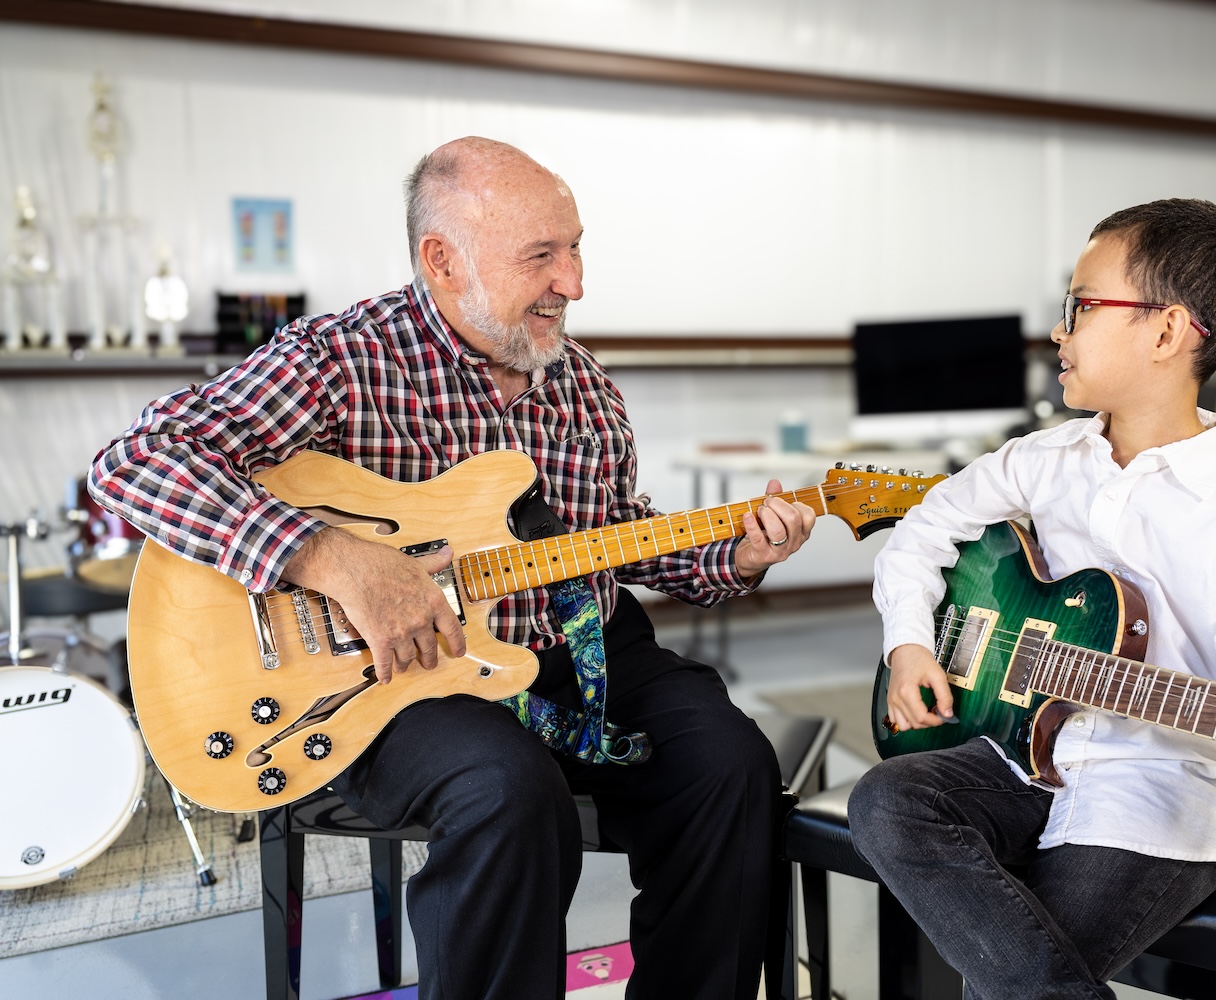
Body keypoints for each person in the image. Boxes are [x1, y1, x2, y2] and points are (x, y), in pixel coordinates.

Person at [89, 137, 817, 1000]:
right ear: (443, 260)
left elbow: (620, 532)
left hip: (572, 648)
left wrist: (738, 551)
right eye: (541, 256)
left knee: (730, 763)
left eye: (577, 247)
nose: (574, 282)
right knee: (508, 792)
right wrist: (331, 560)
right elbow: (135, 460)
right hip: (401, 677)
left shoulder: (585, 387)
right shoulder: (340, 359)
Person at [848, 198, 1216, 1000]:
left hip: (1163, 795)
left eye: (1081, 307)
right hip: (1021, 752)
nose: (1059, 332)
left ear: (1167, 333)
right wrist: (910, 639)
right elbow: (924, 530)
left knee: (1028, 965)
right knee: (888, 796)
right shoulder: (1040, 459)